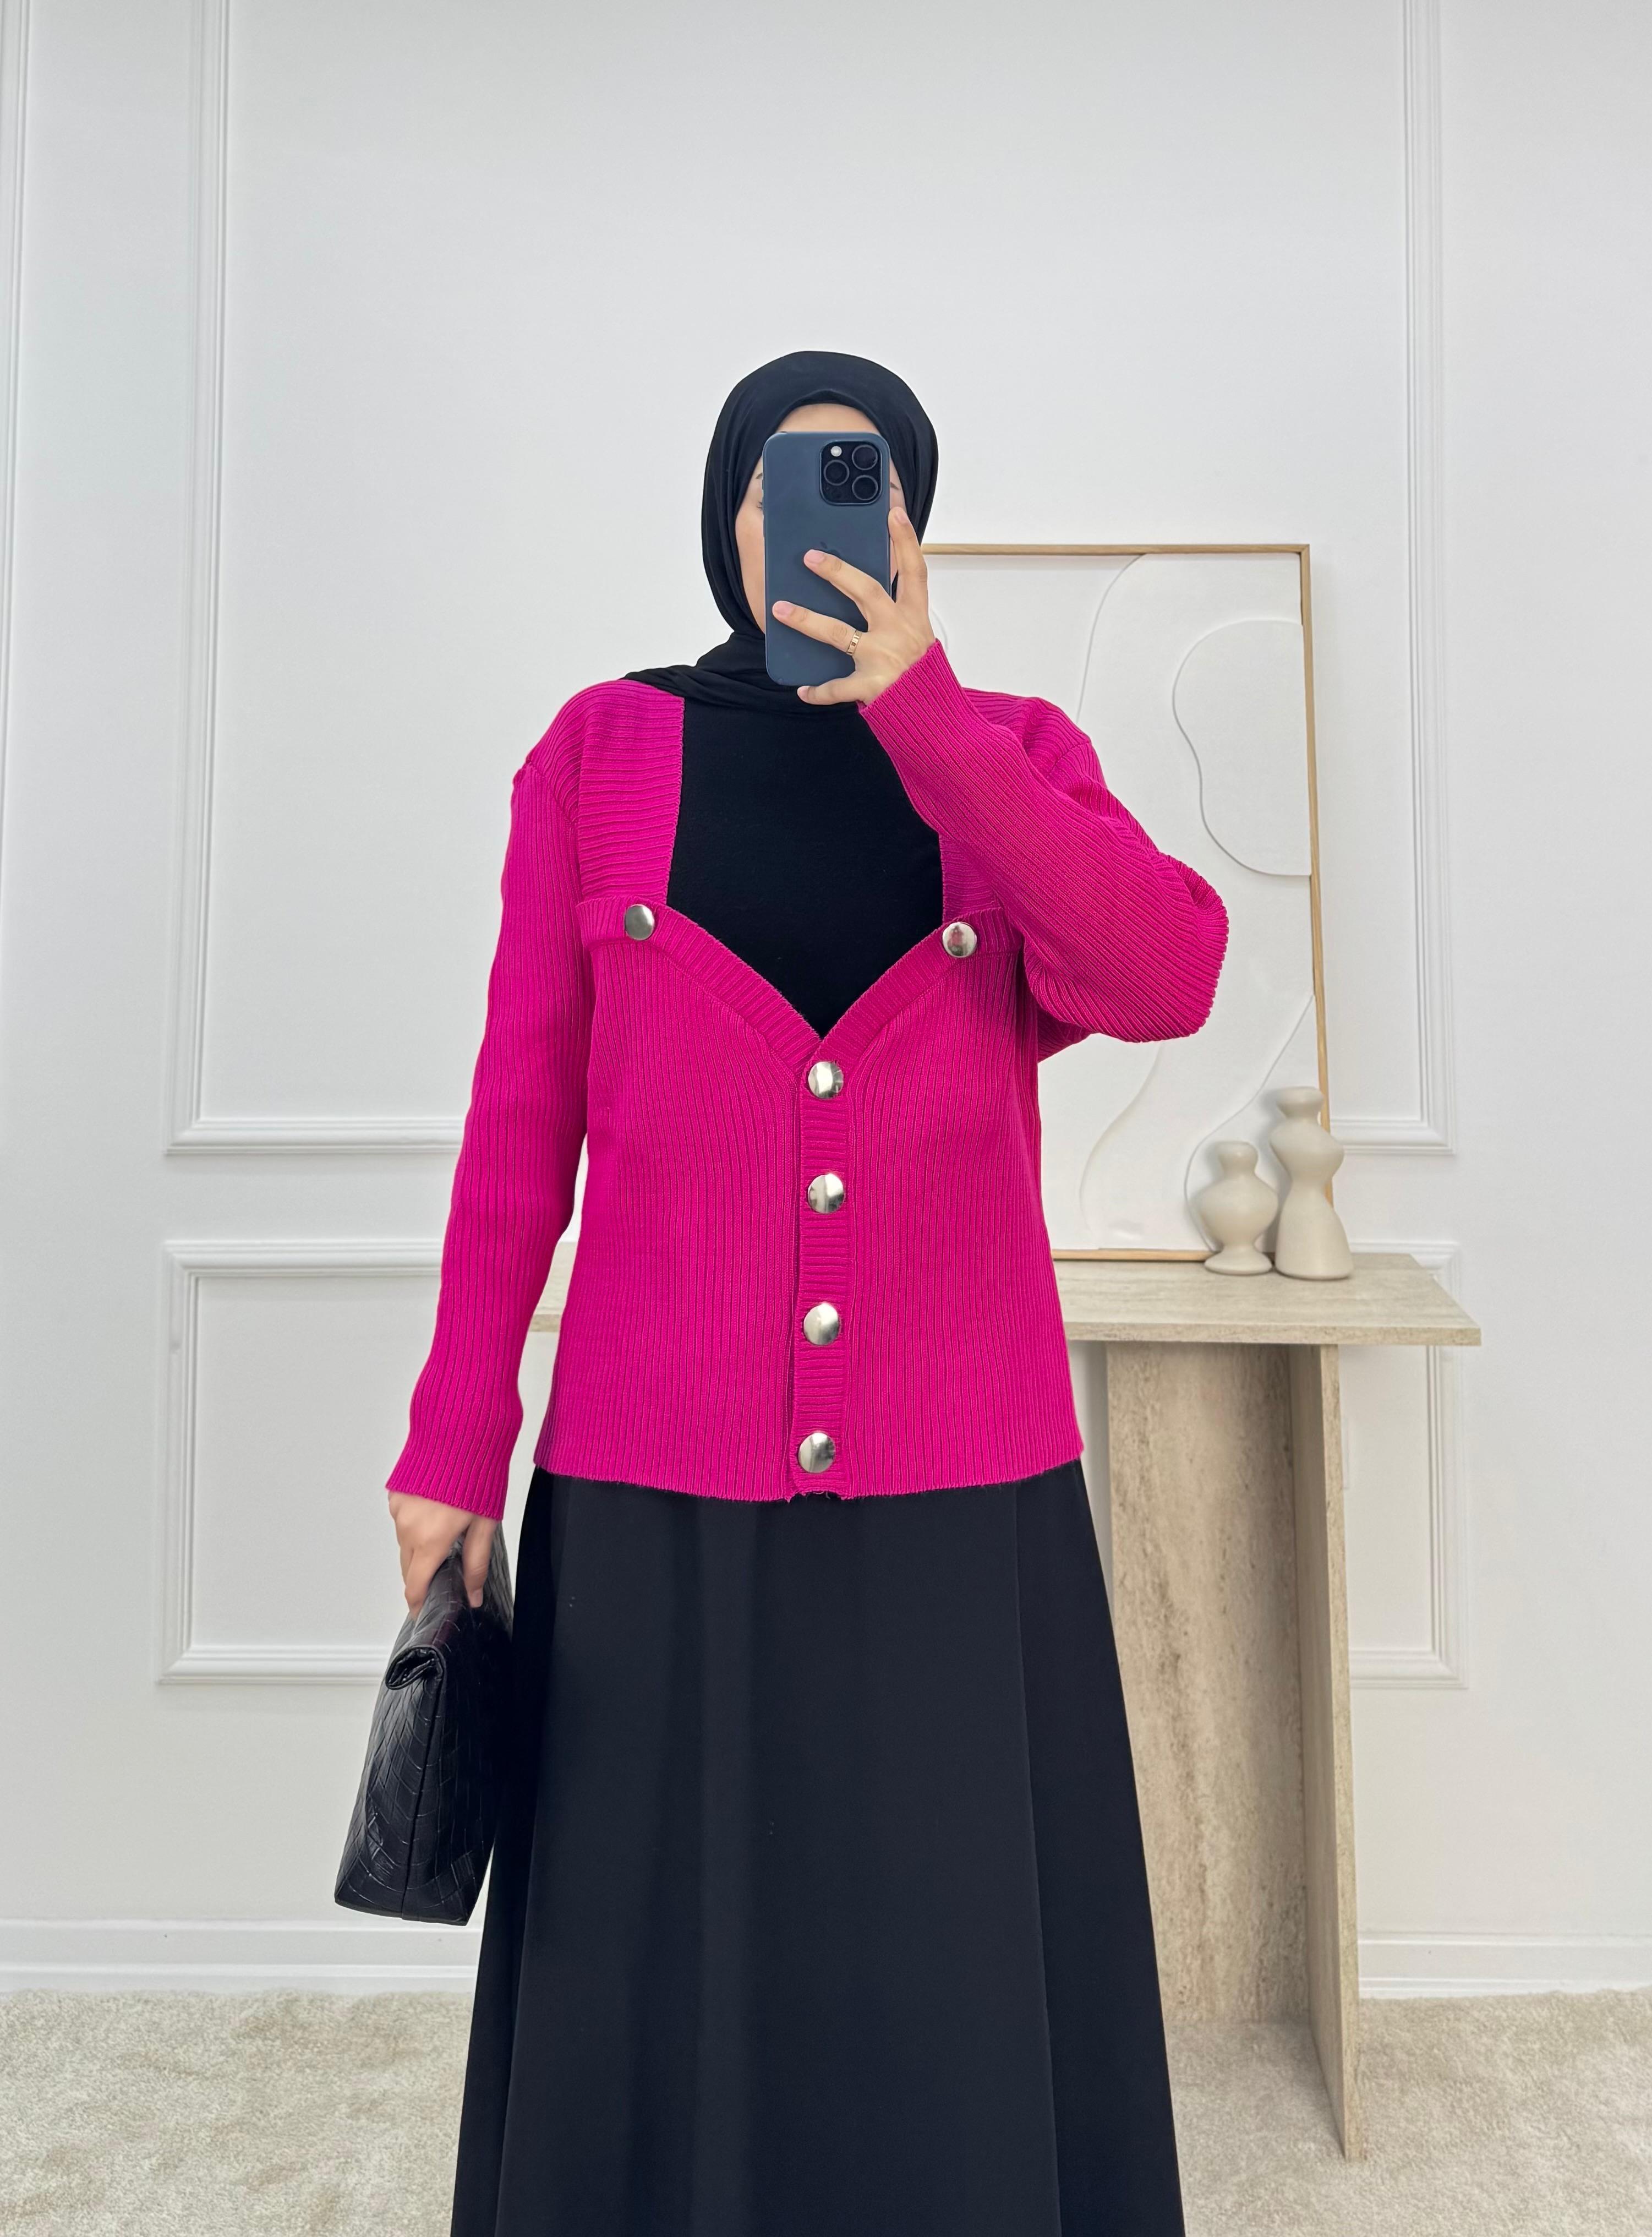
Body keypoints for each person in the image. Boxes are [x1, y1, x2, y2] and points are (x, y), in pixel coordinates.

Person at [385, 350, 1229, 2237]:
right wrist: (450, 1443)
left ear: (913, 524)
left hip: (961, 1478)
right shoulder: (599, 755)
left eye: (862, 480)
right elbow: (519, 1124)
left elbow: (1163, 975)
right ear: (724, 515)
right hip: (652, 1479)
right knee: (657, 1950)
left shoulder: (1007, 754)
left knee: (943, 1940)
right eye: (779, 479)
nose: (814, 517)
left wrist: (921, 712)